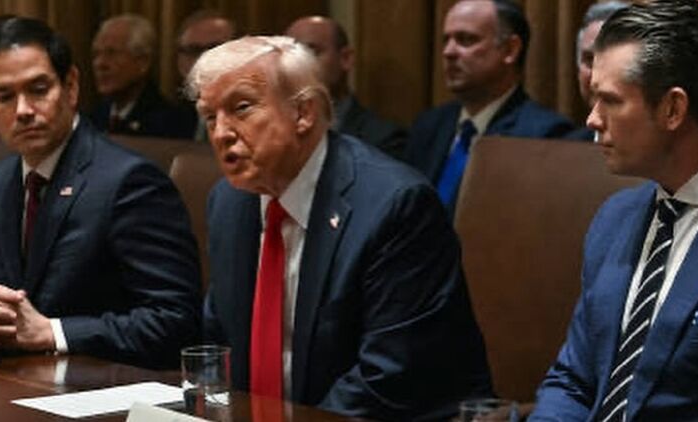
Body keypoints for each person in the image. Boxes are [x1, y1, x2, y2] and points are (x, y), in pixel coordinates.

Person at [189, 36, 492, 420]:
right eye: (209, 116)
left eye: (241, 108)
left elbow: (390, 377)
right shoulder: (229, 202)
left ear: (303, 112)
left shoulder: (394, 205)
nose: (220, 133)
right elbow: (221, 344)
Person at [0, 16, 202, 368]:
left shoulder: (130, 183)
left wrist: (53, 332)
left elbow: (175, 322)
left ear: (71, 86)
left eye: (38, 89)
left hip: (100, 388)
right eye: (4, 96)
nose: (23, 110)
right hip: (9, 383)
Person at [530, 1, 698, 420]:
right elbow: (574, 379)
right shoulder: (615, 219)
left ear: (673, 109)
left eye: (609, 101)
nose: (592, 119)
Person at [405, 0, 576, 215]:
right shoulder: (429, 126)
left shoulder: (543, 135)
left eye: (466, 40)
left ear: (510, 50)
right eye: (446, 40)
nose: (448, 52)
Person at [286, 16, 407, 159]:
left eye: (311, 52)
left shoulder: (382, 139)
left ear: (346, 58)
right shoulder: (274, 131)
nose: (299, 65)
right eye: (290, 55)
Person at [90, 14, 195, 139]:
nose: (100, 64)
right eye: (96, 54)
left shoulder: (170, 123)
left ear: (143, 62)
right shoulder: (92, 119)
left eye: (112, 53)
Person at [568, 1, 628, 141]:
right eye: (589, 59)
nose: (596, 76)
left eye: (609, 59)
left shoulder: (664, 149)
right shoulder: (567, 146)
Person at [176, 10, 236, 141]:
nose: (203, 59)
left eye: (215, 49)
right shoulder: (165, 120)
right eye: (193, 50)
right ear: (179, 60)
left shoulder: (258, 119)